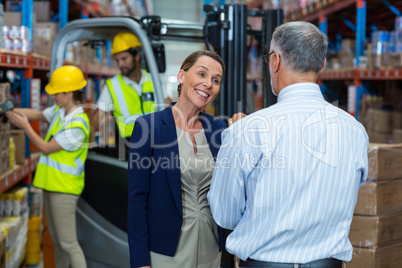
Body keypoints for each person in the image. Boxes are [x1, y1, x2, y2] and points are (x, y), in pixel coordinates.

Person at [208, 21, 369, 268]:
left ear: (275, 62)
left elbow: (225, 214)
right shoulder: (355, 131)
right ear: (322, 64)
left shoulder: (248, 130)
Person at [127, 50, 226, 268]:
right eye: (202, 74)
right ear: (182, 76)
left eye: (215, 80)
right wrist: (140, 261)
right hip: (167, 249)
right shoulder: (148, 127)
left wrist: (243, 126)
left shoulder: (219, 129)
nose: (208, 84)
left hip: (210, 247)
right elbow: (137, 200)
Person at [6, 65, 89, 268]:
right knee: (57, 242)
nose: (52, 96)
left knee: (69, 243)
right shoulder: (61, 112)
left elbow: (45, 147)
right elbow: (35, 114)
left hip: (65, 189)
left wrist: (25, 126)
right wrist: (8, 110)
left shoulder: (77, 125)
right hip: (52, 185)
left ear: (69, 93)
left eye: (56, 93)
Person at [91, 32, 170, 145]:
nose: (120, 64)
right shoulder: (112, 85)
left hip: (157, 142)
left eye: (124, 59)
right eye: (117, 60)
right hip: (130, 147)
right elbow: (95, 120)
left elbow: (170, 109)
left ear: (136, 56)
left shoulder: (153, 80)